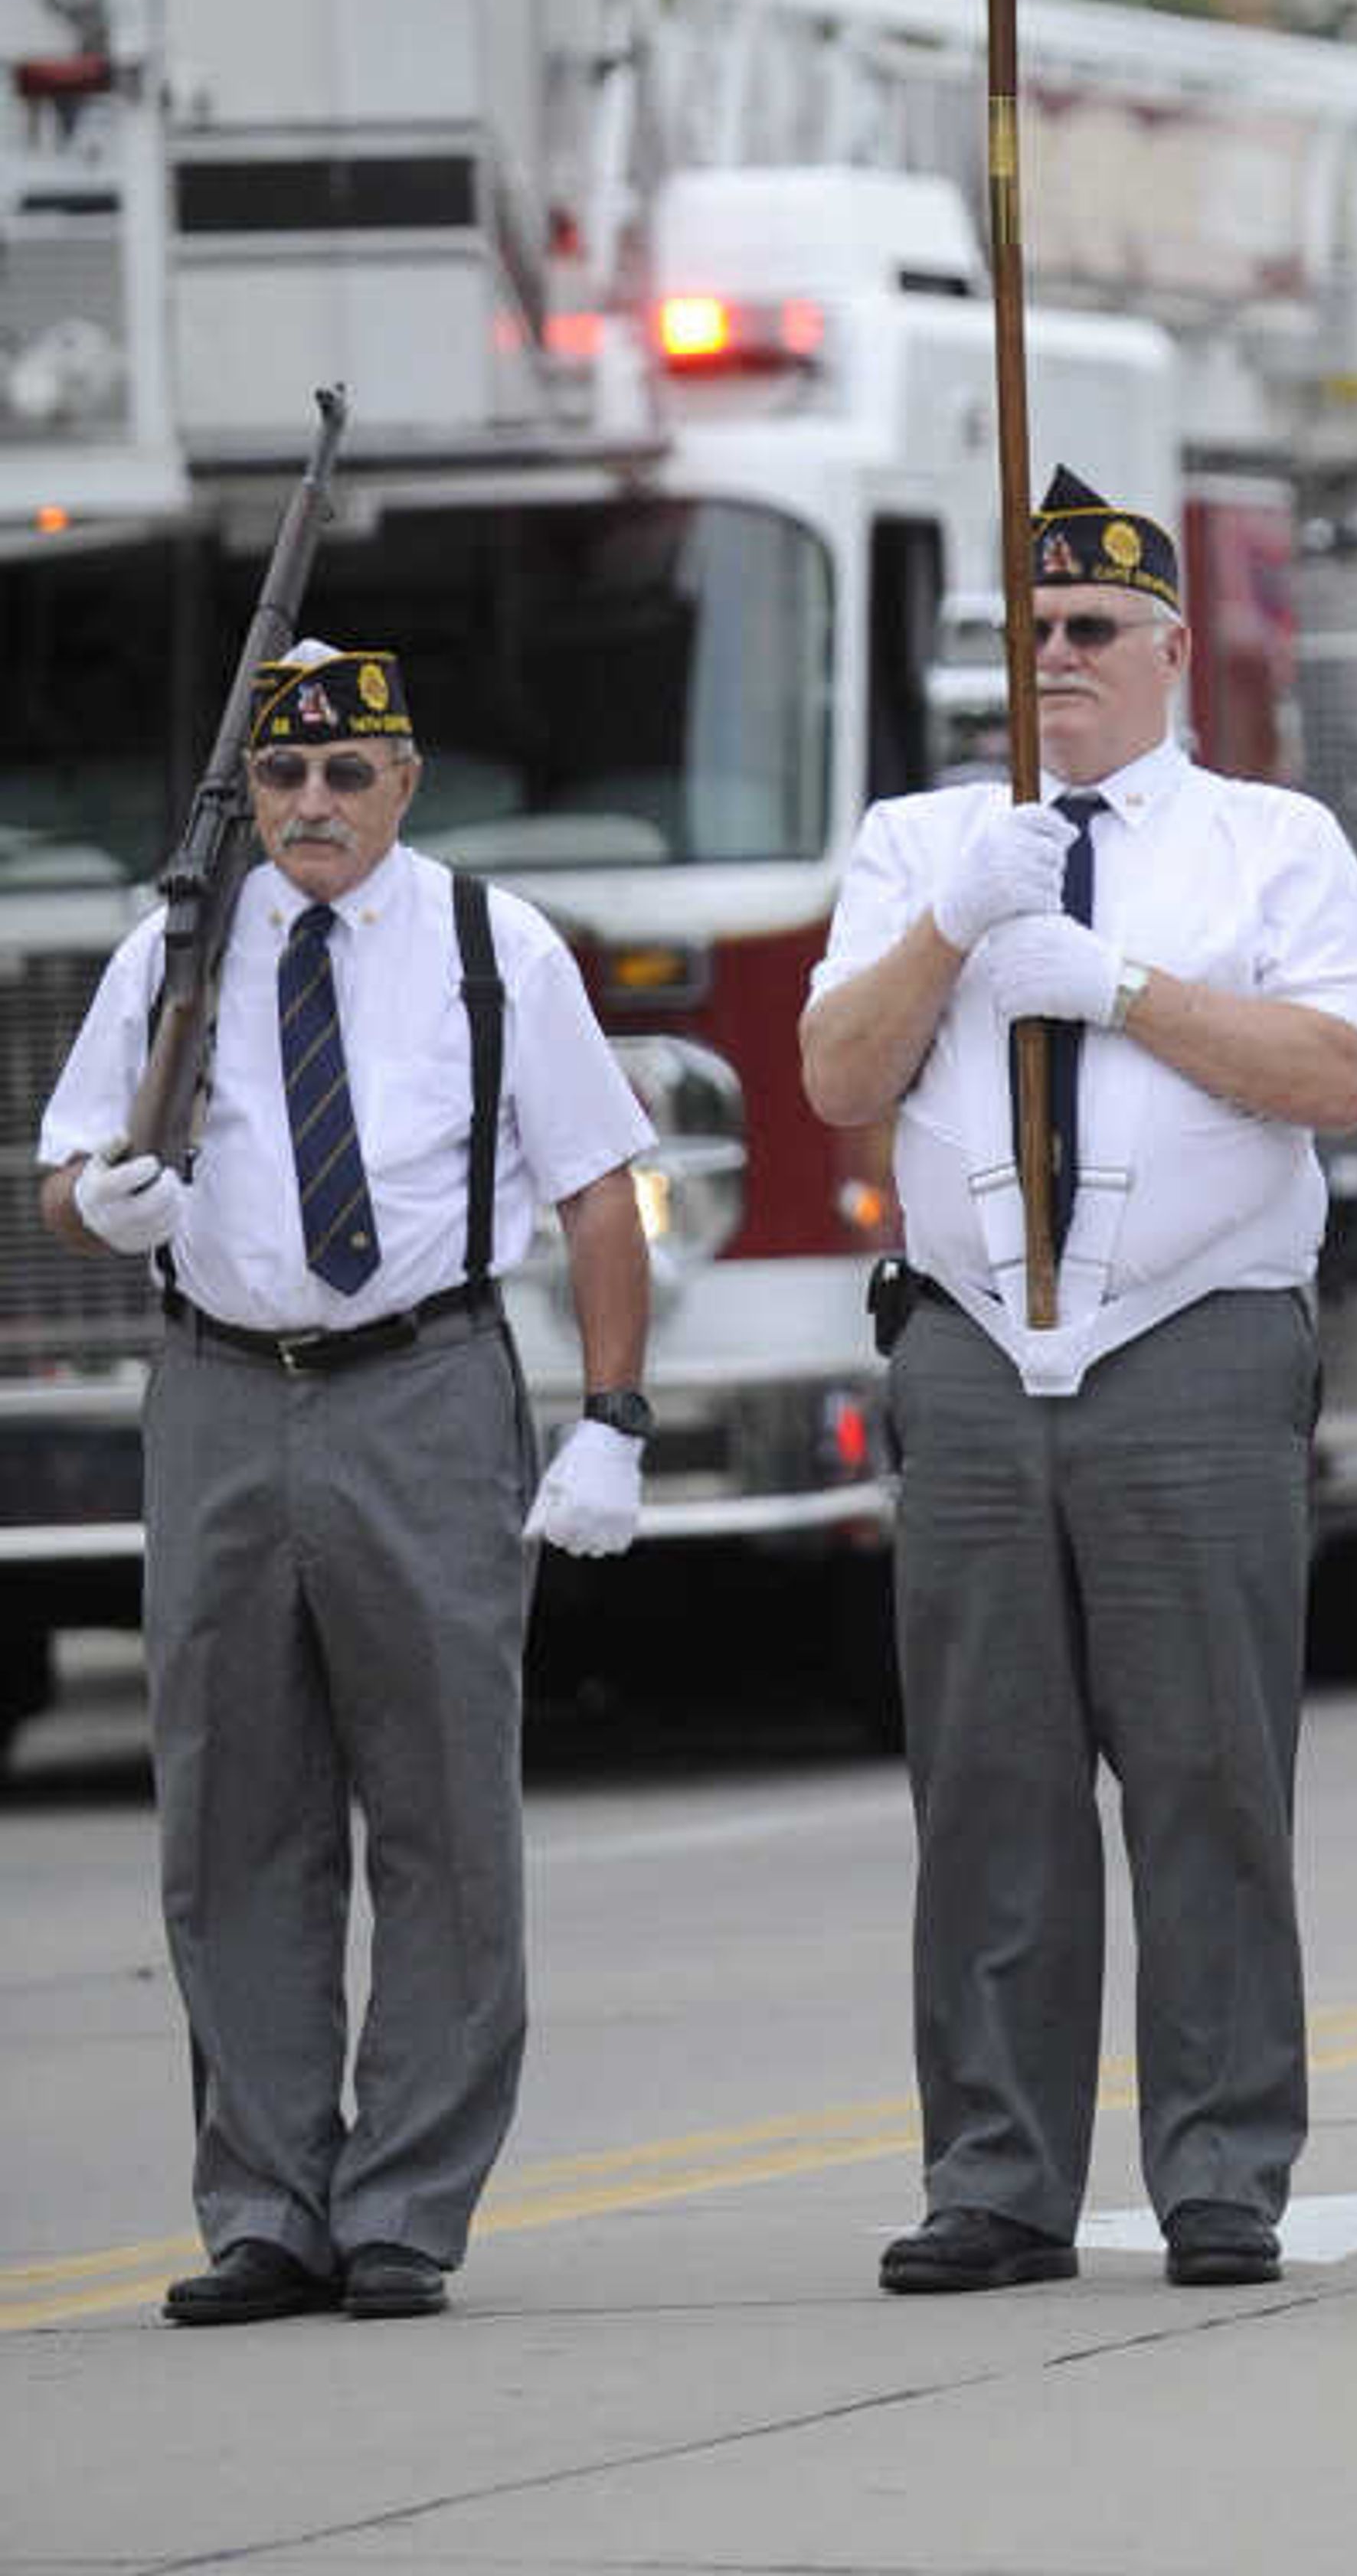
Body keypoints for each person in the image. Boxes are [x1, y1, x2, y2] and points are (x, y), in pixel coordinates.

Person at [801, 468, 1357, 2300]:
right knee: (988, 1780)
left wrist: (1118, 982)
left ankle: (1220, 2166)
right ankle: (996, 2174)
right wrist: (954, 927)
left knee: (1211, 1767)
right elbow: (838, 1072)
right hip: (978, 1342)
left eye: (1089, 632)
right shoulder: (924, 841)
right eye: (1028, 634)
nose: (1053, 662)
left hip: (1193, 1335)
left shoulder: (1265, 841)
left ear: (1167, 653)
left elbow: (1339, 1067)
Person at [40, 639, 655, 2328]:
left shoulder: (488, 942)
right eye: (284, 776)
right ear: (252, 790)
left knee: (445, 1803)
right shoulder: (183, 944)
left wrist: (615, 1411)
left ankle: (404, 2203)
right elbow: (64, 1168)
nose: (312, 804)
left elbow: (600, 1189)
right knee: (234, 1810)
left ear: (405, 781)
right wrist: (112, 1205)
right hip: (224, 1393)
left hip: (424, 1385)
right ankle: (265, 2203)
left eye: (348, 773)